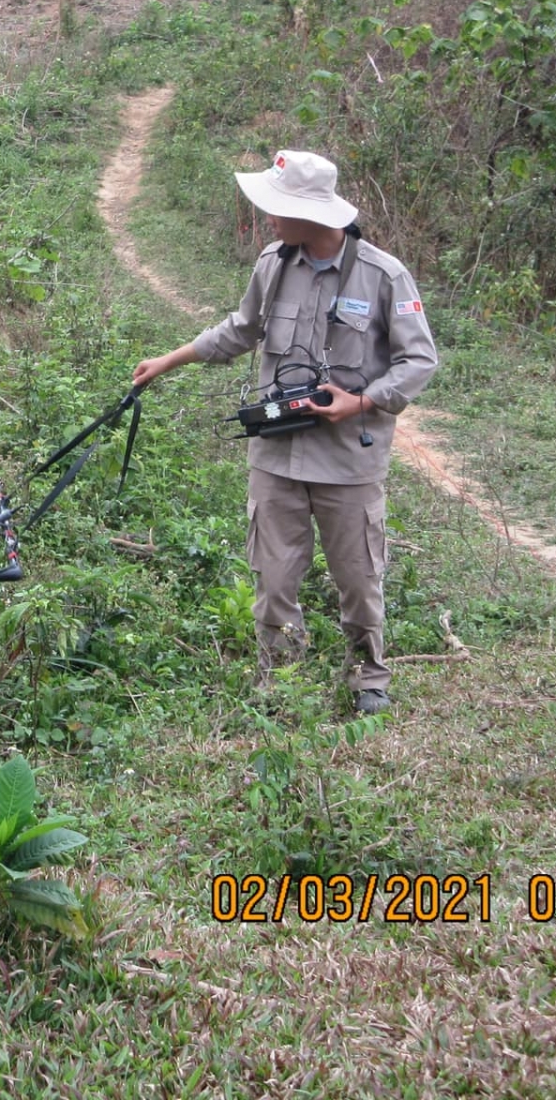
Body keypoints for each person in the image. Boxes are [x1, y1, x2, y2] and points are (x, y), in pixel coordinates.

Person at [132, 150, 438, 714]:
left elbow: (419, 361)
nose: (267, 219)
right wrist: (167, 360)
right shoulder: (273, 263)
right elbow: (240, 329)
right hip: (276, 455)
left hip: (349, 462)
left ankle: (369, 678)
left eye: (276, 209)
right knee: (273, 579)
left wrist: (362, 401)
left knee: (358, 576)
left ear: (315, 215)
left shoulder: (383, 275)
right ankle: (280, 678)